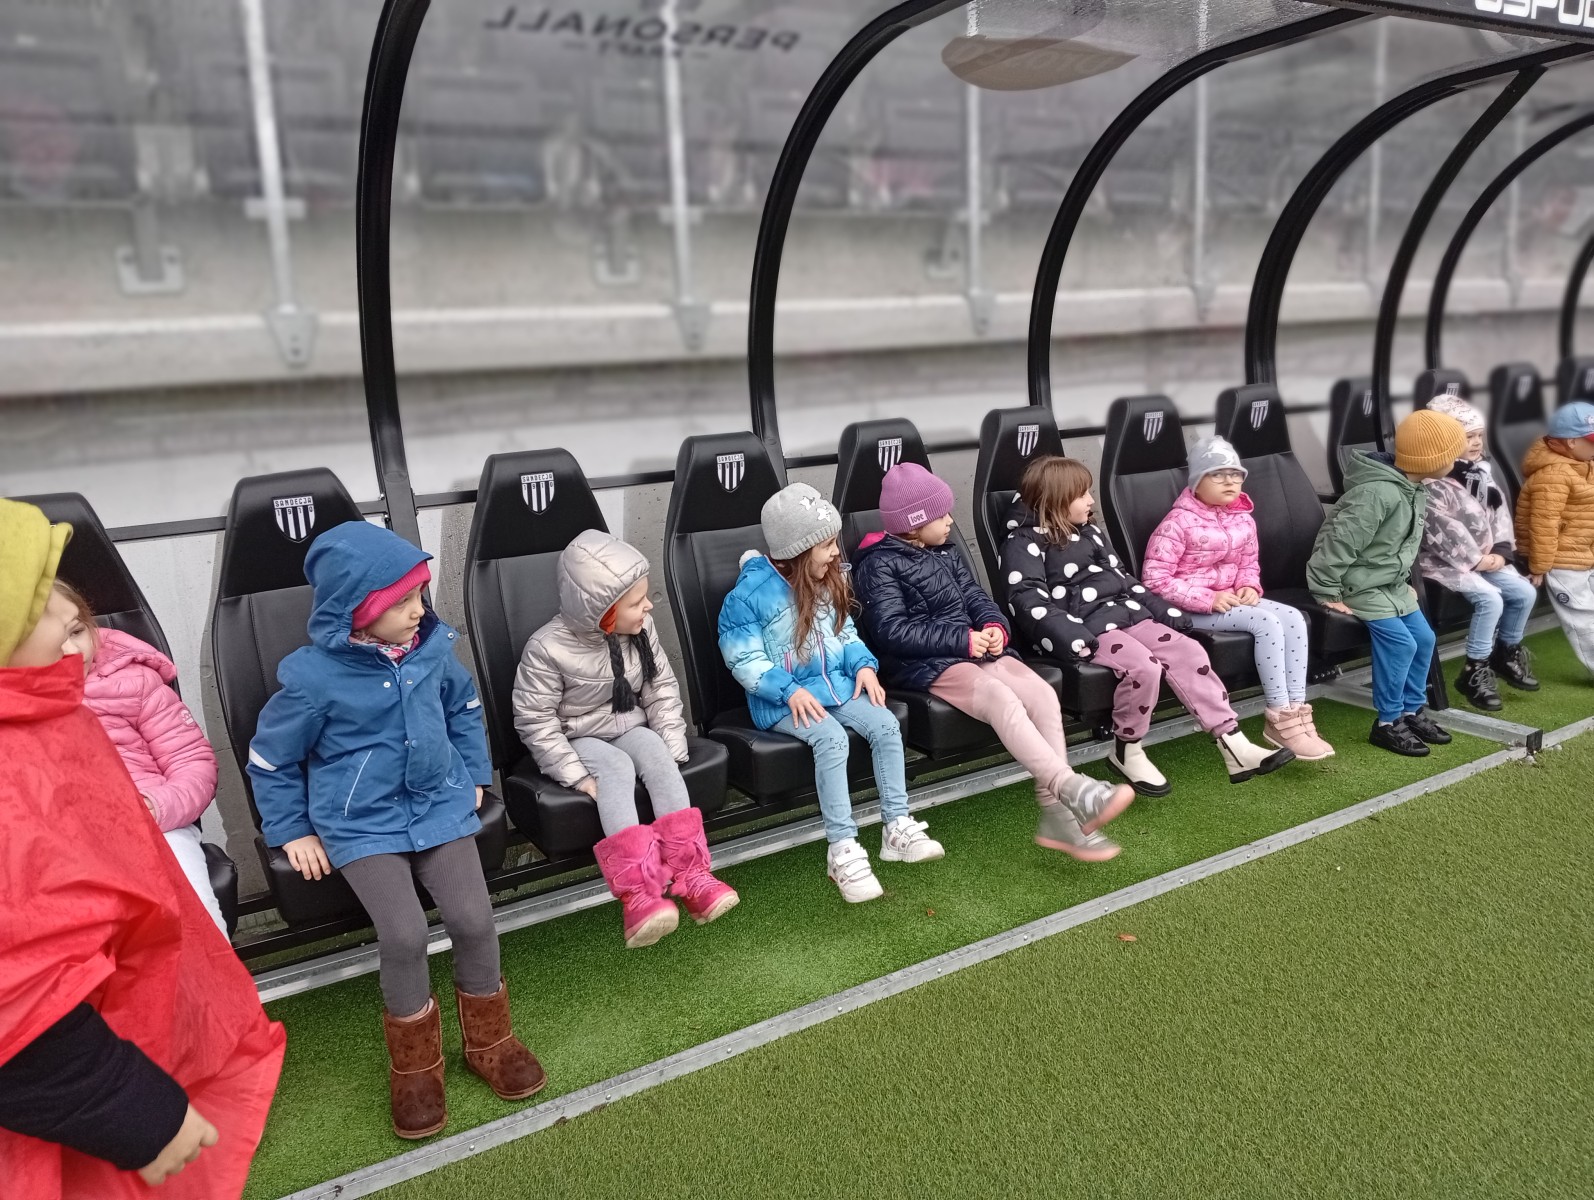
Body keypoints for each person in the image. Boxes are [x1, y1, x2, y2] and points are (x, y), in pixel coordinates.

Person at [0, 498, 284, 1199]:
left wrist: (157, 809)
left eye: (76, 619)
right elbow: (21, 993)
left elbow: (188, 763)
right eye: (39, 608)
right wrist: (130, 1107)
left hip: (155, 838)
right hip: (74, 1084)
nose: (69, 628)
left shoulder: (58, 706)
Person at [248, 520, 545, 1140]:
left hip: (437, 806)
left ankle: (490, 1042)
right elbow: (271, 760)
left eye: (420, 595)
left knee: (474, 920)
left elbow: (463, 708)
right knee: (405, 934)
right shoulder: (312, 679)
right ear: (358, 611)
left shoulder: (432, 651)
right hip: (360, 824)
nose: (418, 611)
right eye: (402, 601)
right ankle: (415, 1068)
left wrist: (473, 773)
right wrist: (293, 830)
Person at [851, 462, 1133, 861]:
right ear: (914, 524)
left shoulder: (945, 552)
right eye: (941, 516)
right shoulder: (877, 564)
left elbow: (976, 597)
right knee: (999, 696)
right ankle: (1070, 788)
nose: (951, 522)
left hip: (974, 648)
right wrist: (964, 641)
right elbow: (891, 631)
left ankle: (1057, 815)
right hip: (923, 663)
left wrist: (993, 626)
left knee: (1040, 692)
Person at [1000, 456, 1293, 796]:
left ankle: (1234, 744)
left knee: (1188, 652)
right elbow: (1027, 599)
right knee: (1143, 667)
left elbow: (1124, 580)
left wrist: (1163, 611)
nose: (1091, 501)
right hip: (1084, 630)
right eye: (1082, 495)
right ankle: (1128, 749)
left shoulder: (1091, 532)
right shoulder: (1022, 543)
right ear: (1055, 500)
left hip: (1126, 615)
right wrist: (1073, 636)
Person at [513, 529, 737, 948]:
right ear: (602, 610)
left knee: (655, 751)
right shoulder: (546, 648)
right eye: (637, 602)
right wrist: (577, 776)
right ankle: (639, 895)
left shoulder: (641, 629)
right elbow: (535, 719)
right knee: (615, 767)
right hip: (578, 736)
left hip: (628, 725)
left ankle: (692, 876)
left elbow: (660, 687)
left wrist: (671, 742)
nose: (648, 606)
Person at [719, 483, 941, 903]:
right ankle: (842, 848)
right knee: (832, 739)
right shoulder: (747, 598)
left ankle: (896, 826)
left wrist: (863, 666)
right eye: (826, 546)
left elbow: (846, 632)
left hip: (834, 687)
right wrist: (788, 691)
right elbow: (744, 660)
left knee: (886, 724)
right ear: (798, 552)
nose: (836, 553)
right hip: (780, 702)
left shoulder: (824, 580)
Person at [1141, 436, 1333, 760]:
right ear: (1197, 482)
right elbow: (1154, 580)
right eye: (1218, 474)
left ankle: (1297, 712)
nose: (1230, 481)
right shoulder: (1177, 523)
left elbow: (1248, 564)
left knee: (1294, 618)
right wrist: (1207, 599)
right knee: (1267, 623)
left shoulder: (1242, 517)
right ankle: (1279, 718)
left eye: (1235, 474)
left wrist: (1249, 586)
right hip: (1189, 607)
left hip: (1231, 599)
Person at [53, 582, 228, 932]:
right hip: (62, 847)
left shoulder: (135, 682)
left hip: (154, 829)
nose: (73, 651)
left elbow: (192, 761)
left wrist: (157, 806)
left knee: (194, 919)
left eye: (77, 631)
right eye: (53, 643)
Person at [1308, 410, 1466, 756]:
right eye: (1451, 455)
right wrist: (1326, 590)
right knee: (1401, 645)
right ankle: (1387, 723)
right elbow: (1338, 542)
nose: (1456, 460)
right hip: (1358, 585)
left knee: (1424, 639)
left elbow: (1397, 546)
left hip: (1388, 585)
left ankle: (1411, 711)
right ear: (1430, 459)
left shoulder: (1412, 489)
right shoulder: (1377, 494)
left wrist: (1401, 580)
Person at [1418, 395, 1540, 709]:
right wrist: (1476, 559)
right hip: (1444, 562)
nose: (1476, 443)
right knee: (1490, 599)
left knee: (1524, 593)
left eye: (1478, 436)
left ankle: (1506, 652)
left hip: (1486, 557)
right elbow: (1441, 529)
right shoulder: (1432, 482)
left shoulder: (1479, 473)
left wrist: (1501, 551)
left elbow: (1499, 513)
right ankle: (1474, 668)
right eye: (1467, 436)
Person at [1516, 399, 1594, 674]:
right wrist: (1539, 566)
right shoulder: (1554, 475)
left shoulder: (1584, 464)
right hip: (1562, 560)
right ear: (1571, 442)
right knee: (1582, 618)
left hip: (1584, 553)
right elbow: (1543, 524)